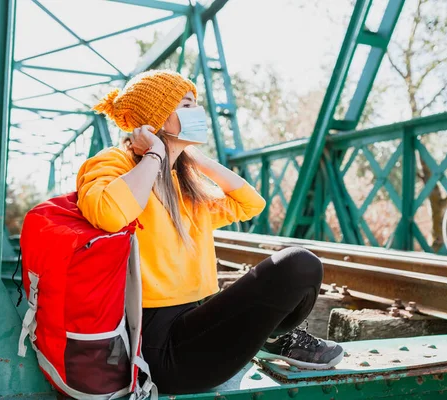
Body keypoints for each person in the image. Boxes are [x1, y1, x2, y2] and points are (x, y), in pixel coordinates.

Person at [76, 70, 344, 394]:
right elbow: (108, 213)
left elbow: (250, 204)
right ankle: (268, 335)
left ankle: (270, 335)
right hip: (154, 347)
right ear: (156, 116)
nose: (198, 112)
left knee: (303, 268)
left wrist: (194, 157)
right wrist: (155, 153)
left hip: (195, 323)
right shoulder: (114, 163)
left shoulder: (184, 183)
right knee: (297, 263)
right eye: (186, 104)